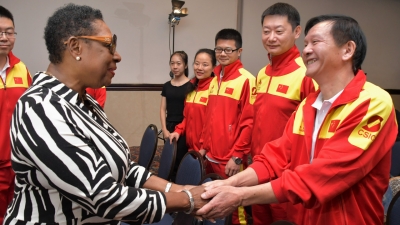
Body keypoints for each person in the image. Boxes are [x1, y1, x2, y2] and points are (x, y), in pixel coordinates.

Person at [4, 4, 207, 225]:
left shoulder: (86, 102)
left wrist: (176, 188)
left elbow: (124, 168)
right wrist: (186, 199)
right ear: (76, 47)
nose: (117, 56)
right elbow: (102, 196)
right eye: (109, 46)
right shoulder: (40, 108)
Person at [197, 14, 398, 225]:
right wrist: (232, 182)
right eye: (306, 44)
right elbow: (275, 157)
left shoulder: (372, 102)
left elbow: (320, 177)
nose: (306, 50)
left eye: (316, 42)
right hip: (300, 217)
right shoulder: (308, 105)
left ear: (347, 50)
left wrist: (240, 195)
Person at [250, 3, 317, 224]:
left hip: (288, 174)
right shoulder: (262, 73)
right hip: (259, 167)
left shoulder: (306, 74)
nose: (271, 37)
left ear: (297, 32)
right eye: (266, 31)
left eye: (279, 31)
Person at [199, 28, 256, 225]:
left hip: (230, 158)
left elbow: (249, 123)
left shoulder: (246, 79)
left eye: (228, 50)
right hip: (210, 153)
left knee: (234, 208)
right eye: (219, 49)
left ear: (239, 52)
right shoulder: (214, 79)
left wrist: (237, 156)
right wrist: (204, 145)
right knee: (214, 200)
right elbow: (209, 118)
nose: (222, 54)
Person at [0, 6, 31, 224]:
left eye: (9, 32)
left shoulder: (21, 68)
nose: (4, 38)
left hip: (17, 162)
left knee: (16, 213)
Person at [169, 48, 216, 151]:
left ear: (213, 68)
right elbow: (187, 118)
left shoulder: (215, 89)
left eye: (205, 65)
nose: (199, 68)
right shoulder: (191, 87)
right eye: (197, 63)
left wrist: (204, 148)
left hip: (206, 150)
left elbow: (214, 125)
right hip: (191, 148)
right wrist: (178, 131)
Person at [160, 50, 191, 181]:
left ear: (185, 65)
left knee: (181, 159)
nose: (175, 66)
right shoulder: (167, 86)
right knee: (169, 159)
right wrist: (165, 130)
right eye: (172, 63)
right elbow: (162, 109)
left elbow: (191, 112)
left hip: (185, 127)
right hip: (169, 125)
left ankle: (181, 185)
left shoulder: (191, 85)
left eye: (178, 63)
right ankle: (169, 186)